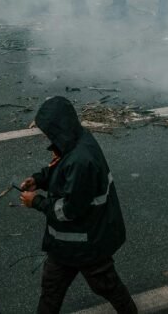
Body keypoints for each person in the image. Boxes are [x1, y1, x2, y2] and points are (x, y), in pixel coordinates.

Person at [19, 97, 137, 314]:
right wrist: (39, 179)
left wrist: (35, 201)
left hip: (88, 246)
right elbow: (61, 172)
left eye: (47, 131)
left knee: (107, 287)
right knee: (50, 293)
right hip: (64, 246)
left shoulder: (81, 160)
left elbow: (69, 210)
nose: (46, 136)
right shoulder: (75, 143)